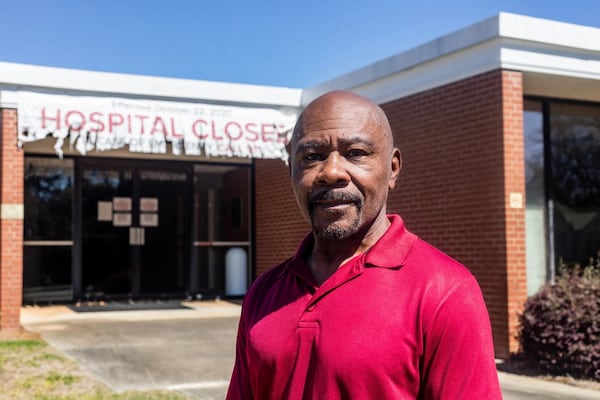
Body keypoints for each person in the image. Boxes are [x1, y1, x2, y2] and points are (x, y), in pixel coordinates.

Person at [226, 90, 502, 399]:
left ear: (392, 168)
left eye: (355, 153)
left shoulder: (445, 291)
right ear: (291, 168)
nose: (331, 172)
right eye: (312, 156)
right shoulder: (264, 292)